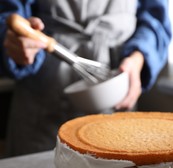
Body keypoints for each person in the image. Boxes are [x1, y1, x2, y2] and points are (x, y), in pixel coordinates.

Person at [0, 0, 171, 157]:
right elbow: (8, 13)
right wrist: (13, 43)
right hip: (41, 107)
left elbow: (156, 20)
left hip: (117, 90)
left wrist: (138, 57)